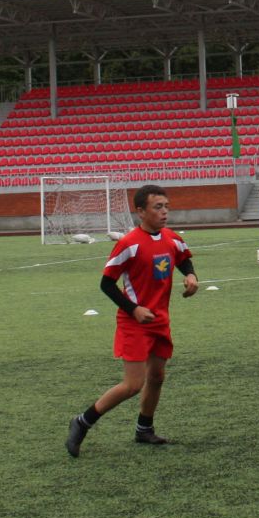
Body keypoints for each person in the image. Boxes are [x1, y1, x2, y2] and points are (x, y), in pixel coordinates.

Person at [66, 185, 198, 455]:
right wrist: (134, 309)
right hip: (134, 322)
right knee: (133, 384)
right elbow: (106, 284)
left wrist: (191, 276)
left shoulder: (172, 238)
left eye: (166, 206)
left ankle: (144, 429)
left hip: (160, 320)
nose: (164, 212)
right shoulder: (129, 243)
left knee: (158, 376)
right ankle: (82, 421)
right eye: (157, 207)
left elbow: (184, 259)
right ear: (140, 212)